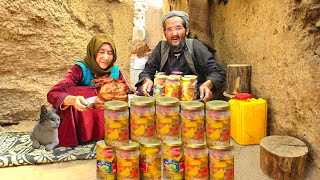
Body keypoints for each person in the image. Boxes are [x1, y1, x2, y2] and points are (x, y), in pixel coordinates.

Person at [47, 33, 129, 147]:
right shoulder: (81, 69)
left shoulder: (115, 71)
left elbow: (128, 92)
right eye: (101, 52)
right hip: (83, 119)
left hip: (110, 123)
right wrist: (72, 100)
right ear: (93, 51)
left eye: (110, 53)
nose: (106, 58)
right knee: (75, 92)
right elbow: (53, 93)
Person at [135, 11, 226, 102]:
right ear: (165, 33)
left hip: (191, 92)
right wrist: (146, 80)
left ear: (186, 30)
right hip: (167, 92)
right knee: (142, 90)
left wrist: (207, 85)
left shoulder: (195, 46)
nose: (174, 33)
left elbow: (217, 71)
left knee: (205, 92)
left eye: (178, 28)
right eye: (169, 29)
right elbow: (148, 70)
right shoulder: (161, 47)